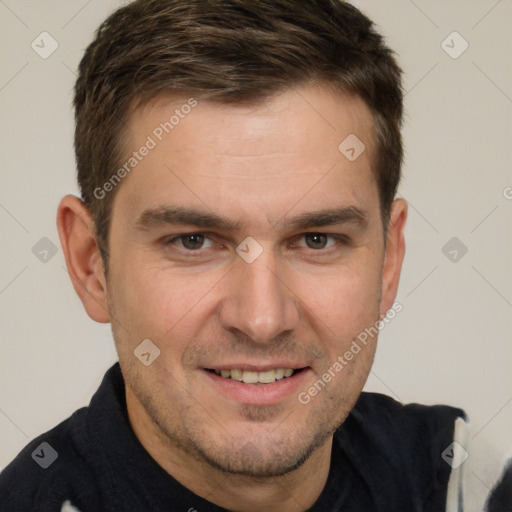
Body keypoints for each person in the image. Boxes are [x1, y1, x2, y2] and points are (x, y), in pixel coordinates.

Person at [1, 1, 508, 510]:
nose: (262, 319)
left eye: (317, 239)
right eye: (194, 240)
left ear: (388, 260)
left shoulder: (457, 481)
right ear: (92, 265)